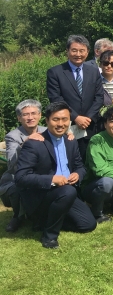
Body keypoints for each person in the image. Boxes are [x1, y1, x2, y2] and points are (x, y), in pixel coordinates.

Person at [15, 101, 96, 249]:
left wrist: (78, 174)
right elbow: (21, 178)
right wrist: (52, 179)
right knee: (68, 191)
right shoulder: (34, 143)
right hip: (42, 195)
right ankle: (50, 236)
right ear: (46, 121)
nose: (60, 124)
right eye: (55, 119)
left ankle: (45, 221)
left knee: (88, 224)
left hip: (66, 193)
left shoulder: (70, 141)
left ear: (69, 120)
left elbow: (80, 167)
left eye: (65, 119)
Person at [46, 34, 104, 160]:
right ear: (67, 51)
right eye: (74, 50)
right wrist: (76, 117)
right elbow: (56, 99)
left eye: (82, 51)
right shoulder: (55, 72)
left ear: (87, 52)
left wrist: (87, 118)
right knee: (69, 160)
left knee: (91, 159)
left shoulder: (94, 71)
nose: (78, 54)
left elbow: (99, 97)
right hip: (67, 126)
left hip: (90, 125)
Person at [1, 100, 46, 232]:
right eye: (26, 114)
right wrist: (25, 144)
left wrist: (68, 135)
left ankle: (40, 215)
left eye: (33, 113)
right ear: (19, 118)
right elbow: (11, 163)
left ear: (40, 115)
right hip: (15, 177)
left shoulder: (47, 131)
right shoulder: (12, 136)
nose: (30, 117)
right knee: (18, 186)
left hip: (41, 174)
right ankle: (17, 217)